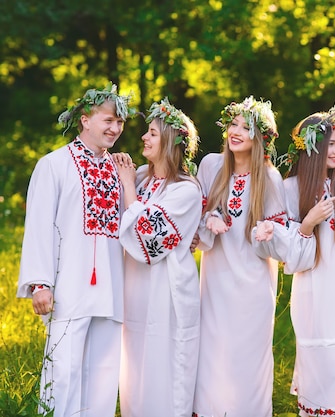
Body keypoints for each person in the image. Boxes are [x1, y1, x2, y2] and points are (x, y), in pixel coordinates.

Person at [16, 82, 135, 416]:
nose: (115, 128)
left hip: (111, 288)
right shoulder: (53, 165)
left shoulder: (122, 170)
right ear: (85, 119)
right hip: (68, 287)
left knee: (104, 374)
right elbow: (38, 226)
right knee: (63, 371)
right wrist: (41, 282)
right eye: (108, 120)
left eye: (120, 123)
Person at [260, 101, 335, 416]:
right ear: (312, 147)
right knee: (321, 361)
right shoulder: (291, 188)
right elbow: (292, 259)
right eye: (331, 144)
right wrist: (307, 223)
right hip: (315, 291)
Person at [192, 96, 287, 417]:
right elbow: (195, 223)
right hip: (217, 280)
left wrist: (268, 232)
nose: (236, 132)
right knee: (213, 352)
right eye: (233, 124)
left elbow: (280, 237)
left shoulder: (270, 178)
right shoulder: (211, 166)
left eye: (246, 128)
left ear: (260, 138)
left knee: (248, 356)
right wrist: (208, 220)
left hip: (254, 283)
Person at [113, 98, 202, 417]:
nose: (143, 138)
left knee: (164, 367)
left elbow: (150, 239)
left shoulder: (187, 191)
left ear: (169, 142)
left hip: (168, 293)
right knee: (135, 368)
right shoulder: (141, 178)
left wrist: (128, 190)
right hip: (135, 289)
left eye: (152, 133)